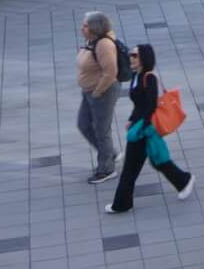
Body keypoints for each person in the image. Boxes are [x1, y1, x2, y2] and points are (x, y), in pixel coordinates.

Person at [109, 44, 195, 213]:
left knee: (131, 169)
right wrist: (132, 119)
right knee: (158, 161)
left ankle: (122, 204)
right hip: (141, 126)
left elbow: (150, 106)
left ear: (143, 58)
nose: (130, 58)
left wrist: (141, 126)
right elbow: (139, 105)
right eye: (130, 55)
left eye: (134, 55)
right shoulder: (136, 76)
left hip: (144, 129)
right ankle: (184, 180)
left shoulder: (149, 78)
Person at [75, 12, 126, 185]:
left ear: (95, 28)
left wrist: (97, 92)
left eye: (85, 25)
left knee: (101, 131)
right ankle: (110, 153)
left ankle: (106, 169)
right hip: (89, 91)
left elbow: (110, 72)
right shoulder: (91, 40)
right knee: (84, 125)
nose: (82, 28)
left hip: (102, 93)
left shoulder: (104, 45)